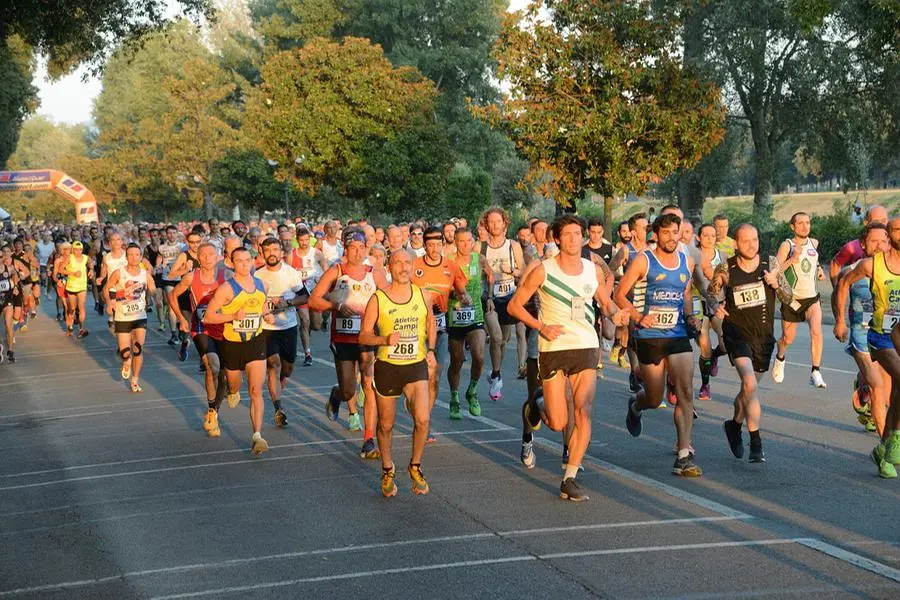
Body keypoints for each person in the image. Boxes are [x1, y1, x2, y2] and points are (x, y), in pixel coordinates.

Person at [511, 215, 628, 500]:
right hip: (554, 347)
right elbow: (515, 306)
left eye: (579, 234)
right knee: (558, 422)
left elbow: (604, 299)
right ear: (558, 239)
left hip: (586, 345)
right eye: (570, 234)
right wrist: (540, 327)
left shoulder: (591, 269)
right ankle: (536, 405)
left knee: (583, 411)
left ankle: (570, 476)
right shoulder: (542, 270)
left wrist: (616, 313)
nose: (575, 239)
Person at [616, 213, 702, 477]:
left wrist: (690, 317)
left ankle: (683, 454)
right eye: (665, 233)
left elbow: (685, 293)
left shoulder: (686, 261)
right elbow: (619, 294)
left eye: (675, 232)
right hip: (649, 336)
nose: (671, 238)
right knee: (654, 398)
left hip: (677, 334)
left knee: (686, 392)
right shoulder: (644, 260)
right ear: (656, 234)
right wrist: (638, 317)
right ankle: (636, 405)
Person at [708, 224, 793, 465]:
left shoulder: (771, 264)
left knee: (749, 388)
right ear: (736, 243)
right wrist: (716, 304)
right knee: (748, 382)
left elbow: (788, 297)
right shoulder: (726, 266)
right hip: (736, 333)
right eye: (746, 241)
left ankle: (734, 425)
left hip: (763, 337)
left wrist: (776, 284)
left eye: (755, 239)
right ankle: (756, 442)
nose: (752, 245)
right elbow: (712, 292)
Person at [358, 249, 437, 497]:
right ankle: (387, 468)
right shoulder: (378, 299)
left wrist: (431, 349)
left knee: (422, 419)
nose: (403, 267)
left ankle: (415, 466)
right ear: (389, 268)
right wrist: (384, 339)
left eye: (407, 262)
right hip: (388, 367)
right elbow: (363, 335)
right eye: (398, 262)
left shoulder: (423, 295)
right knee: (386, 424)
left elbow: (431, 323)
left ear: (412, 266)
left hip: (416, 365)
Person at [309, 228, 387, 459]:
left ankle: (369, 439)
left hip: (368, 338)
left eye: (361, 248)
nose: (357, 252)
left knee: (370, 385)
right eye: (352, 247)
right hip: (343, 337)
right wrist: (337, 306)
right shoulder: (337, 271)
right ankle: (337, 394)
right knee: (348, 390)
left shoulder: (375, 273)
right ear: (345, 248)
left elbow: (388, 300)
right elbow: (314, 300)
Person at [834, 217, 900, 478]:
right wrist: (840, 320)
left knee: (895, 391)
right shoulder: (870, 265)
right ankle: (893, 443)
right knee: (885, 386)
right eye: (896, 230)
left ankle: (883, 447)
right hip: (877, 335)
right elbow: (842, 282)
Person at [203, 247, 275, 456]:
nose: (244, 264)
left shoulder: (262, 284)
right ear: (231, 263)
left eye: (247, 260)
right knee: (234, 384)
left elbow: (261, 307)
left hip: (256, 341)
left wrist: (267, 315)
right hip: (232, 344)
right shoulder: (227, 288)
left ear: (253, 261)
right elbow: (208, 317)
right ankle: (233, 391)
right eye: (239, 261)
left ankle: (257, 436)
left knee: (255, 391)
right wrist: (233, 316)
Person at [833, 224, 891, 435]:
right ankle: (886, 445)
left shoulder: (894, 269)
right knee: (878, 386)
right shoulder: (855, 269)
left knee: (887, 392)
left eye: (883, 241)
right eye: (874, 241)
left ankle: (864, 390)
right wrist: (840, 320)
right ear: (864, 244)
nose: (879, 246)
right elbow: (840, 288)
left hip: (887, 336)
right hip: (862, 333)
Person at [411, 227, 470, 428]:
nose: (434, 249)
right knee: (417, 377)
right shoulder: (414, 266)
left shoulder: (450, 266)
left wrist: (464, 296)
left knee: (434, 375)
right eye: (430, 245)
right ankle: (417, 410)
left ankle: (423, 421)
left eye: (438, 244)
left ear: (443, 245)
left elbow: (461, 288)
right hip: (416, 325)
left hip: (440, 324)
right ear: (425, 246)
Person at [168, 243, 228, 438]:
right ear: (198, 259)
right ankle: (212, 411)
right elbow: (172, 295)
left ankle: (214, 410)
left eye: (211, 254)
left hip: (224, 326)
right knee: (213, 365)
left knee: (224, 374)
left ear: (217, 256)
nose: (208, 258)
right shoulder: (191, 277)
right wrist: (182, 318)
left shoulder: (225, 276)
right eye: (204, 255)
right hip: (201, 327)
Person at [256, 237, 308, 428]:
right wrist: (263, 309)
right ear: (262, 253)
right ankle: (278, 409)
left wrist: (287, 303)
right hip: (267, 329)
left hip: (288, 327)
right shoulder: (258, 275)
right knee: (273, 364)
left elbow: (304, 297)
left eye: (275, 250)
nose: (271, 253)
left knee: (286, 369)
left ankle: (281, 381)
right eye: (267, 250)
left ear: (281, 253)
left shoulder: (290, 273)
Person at [772, 212, 827, 388]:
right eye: (800, 223)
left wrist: (819, 269)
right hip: (792, 299)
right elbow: (775, 270)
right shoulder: (787, 245)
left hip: (811, 298)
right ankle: (780, 357)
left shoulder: (814, 243)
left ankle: (815, 371)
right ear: (792, 227)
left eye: (807, 222)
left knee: (817, 331)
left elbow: (813, 260)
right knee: (788, 339)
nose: (805, 226)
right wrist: (792, 259)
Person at [447, 227, 493, 418]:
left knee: (479, 356)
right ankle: (454, 397)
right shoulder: (448, 262)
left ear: (473, 241)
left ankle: (472, 391)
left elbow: (490, 276)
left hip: (476, 315)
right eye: (461, 241)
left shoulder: (479, 259)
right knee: (457, 360)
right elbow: (443, 286)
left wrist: (489, 296)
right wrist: (456, 295)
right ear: (455, 242)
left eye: (468, 241)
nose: (465, 245)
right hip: (455, 316)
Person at [480, 208, 525, 400]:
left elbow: (522, 272)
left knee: (504, 340)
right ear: (486, 224)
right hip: (488, 297)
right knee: (496, 338)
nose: (495, 225)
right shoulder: (480, 247)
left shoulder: (513, 246)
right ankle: (497, 375)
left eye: (499, 221)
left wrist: (512, 271)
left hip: (508, 296)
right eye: (491, 222)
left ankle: (494, 372)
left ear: (505, 223)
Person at [105, 243, 155, 393]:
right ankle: (126, 362)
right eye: (131, 254)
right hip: (122, 316)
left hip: (140, 316)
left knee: (138, 349)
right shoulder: (119, 273)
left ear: (140, 257)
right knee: (125, 352)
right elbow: (107, 289)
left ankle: (135, 380)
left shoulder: (145, 274)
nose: (134, 257)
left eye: (137, 254)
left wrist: (155, 295)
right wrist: (109, 302)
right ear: (126, 257)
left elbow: (152, 286)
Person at [289, 227, 328, 362]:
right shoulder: (292, 255)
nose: (304, 243)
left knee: (316, 325)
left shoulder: (316, 253)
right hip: (301, 293)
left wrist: (321, 279)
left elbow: (326, 271)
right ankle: (307, 354)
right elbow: (287, 273)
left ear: (310, 240)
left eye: (306, 240)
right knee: (305, 321)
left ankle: (307, 329)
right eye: (301, 240)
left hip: (315, 292)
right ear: (297, 240)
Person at [63, 241, 93, 339]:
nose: (78, 251)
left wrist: (91, 270)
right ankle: (70, 326)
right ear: (72, 249)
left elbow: (90, 262)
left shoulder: (85, 257)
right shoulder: (69, 258)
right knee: (72, 308)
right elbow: (60, 269)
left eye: (80, 250)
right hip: (71, 286)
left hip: (82, 287)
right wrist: (72, 273)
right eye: (76, 250)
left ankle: (81, 329)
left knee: (81, 308)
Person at [0, 245, 21, 363]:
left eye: (1, 256)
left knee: (9, 325)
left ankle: (10, 351)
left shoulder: (9, 268)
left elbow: (16, 275)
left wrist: (15, 286)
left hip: (7, 300)